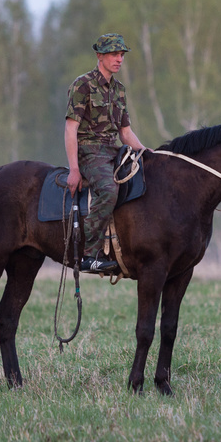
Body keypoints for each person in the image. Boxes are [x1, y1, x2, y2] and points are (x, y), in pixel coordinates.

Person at [65, 33, 149, 273]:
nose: (119, 59)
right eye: (114, 54)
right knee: (109, 190)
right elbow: (70, 129)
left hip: (114, 150)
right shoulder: (83, 85)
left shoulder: (119, 90)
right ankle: (89, 254)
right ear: (99, 55)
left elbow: (125, 132)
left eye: (121, 54)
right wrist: (74, 169)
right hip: (89, 152)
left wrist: (146, 152)